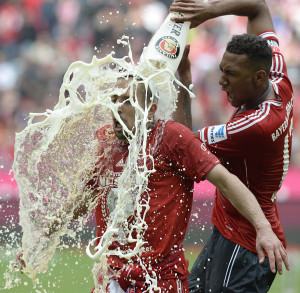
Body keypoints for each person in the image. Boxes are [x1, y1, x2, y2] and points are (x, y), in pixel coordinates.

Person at [170, 0, 293, 292]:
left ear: (258, 77)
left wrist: (183, 84)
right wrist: (209, 11)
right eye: (222, 69)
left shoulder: (256, 125)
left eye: (231, 74)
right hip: (232, 230)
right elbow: (259, 7)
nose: (222, 82)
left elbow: (185, 144)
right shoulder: (276, 74)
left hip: (247, 243)